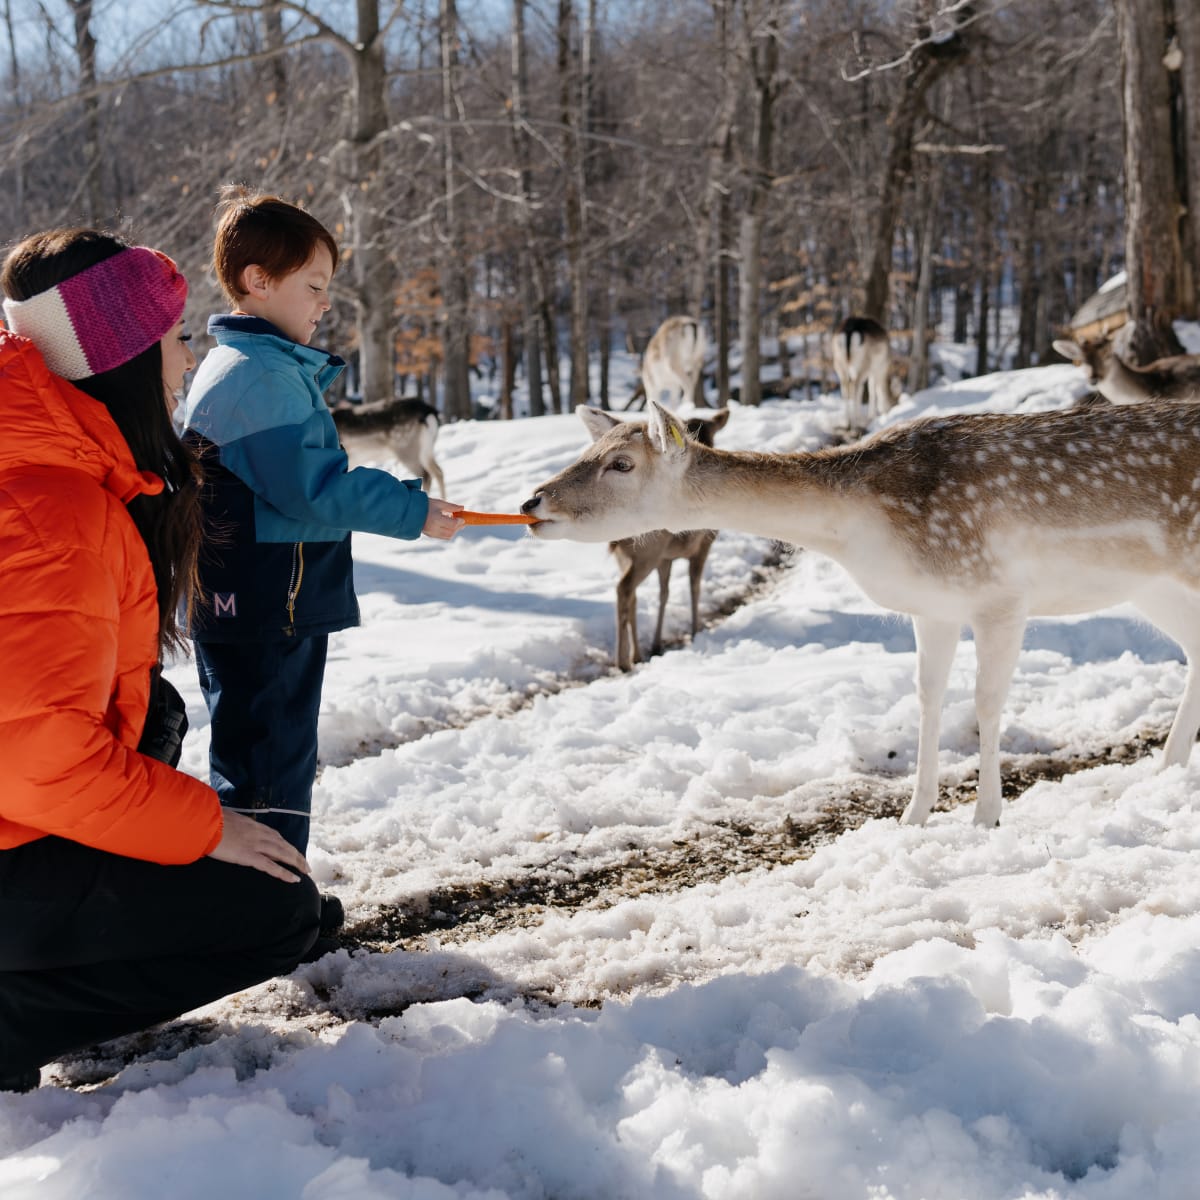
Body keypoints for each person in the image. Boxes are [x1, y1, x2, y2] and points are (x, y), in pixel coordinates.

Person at [0, 228, 322, 1095]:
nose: (186, 358)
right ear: (123, 361)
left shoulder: (44, 464)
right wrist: (208, 826)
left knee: (157, 713)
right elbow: (33, 756)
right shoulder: (52, 510)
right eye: (172, 339)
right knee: (276, 916)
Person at [181, 186, 463, 895]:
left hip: (254, 598)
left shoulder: (251, 369)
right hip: (269, 600)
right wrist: (412, 510)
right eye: (313, 286)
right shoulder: (260, 379)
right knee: (270, 757)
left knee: (258, 749)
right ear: (258, 282)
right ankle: (265, 912)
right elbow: (316, 487)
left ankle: (257, 906)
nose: (323, 303)